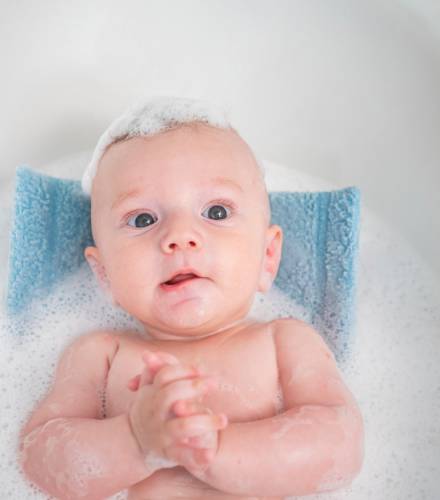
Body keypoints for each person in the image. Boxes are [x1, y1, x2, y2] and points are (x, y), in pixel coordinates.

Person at [20, 97, 363, 499]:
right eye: (143, 219)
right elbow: (40, 457)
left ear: (267, 257)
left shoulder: (283, 341)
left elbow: (341, 446)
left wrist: (213, 451)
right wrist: (136, 441)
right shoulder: (101, 354)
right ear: (105, 275)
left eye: (216, 212)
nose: (180, 236)